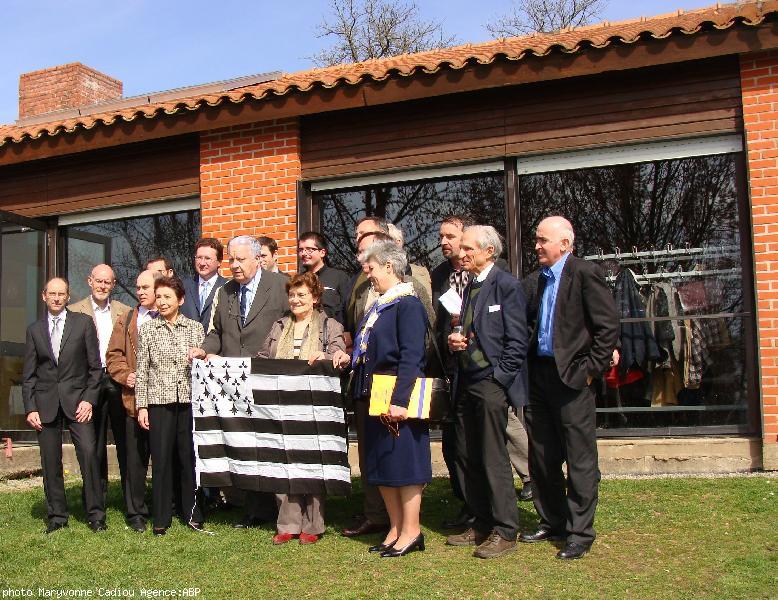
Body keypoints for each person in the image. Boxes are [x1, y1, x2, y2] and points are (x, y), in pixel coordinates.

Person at [520, 216, 619, 560]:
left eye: (542, 240)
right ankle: (553, 520)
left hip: (573, 378)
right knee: (543, 456)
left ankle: (579, 532)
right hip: (540, 376)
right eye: (536, 239)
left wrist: (591, 369)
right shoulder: (539, 280)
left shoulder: (584, 273)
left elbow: (607, 326)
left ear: (564, 243)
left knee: (579, 458)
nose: (536, 246)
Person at [431, 216, 532, 528]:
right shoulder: (470, 285)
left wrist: (499, 379)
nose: (462, 253)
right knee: (467, 454)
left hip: (490, 383)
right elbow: (469, 326)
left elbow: (518, 340)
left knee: (493, 457)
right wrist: (453, 341)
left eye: (468, 248)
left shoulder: (507, 285)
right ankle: (480, 521)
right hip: (463, 381)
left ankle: (504, 528)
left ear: (489, 251)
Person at [202, 234, 288, 528]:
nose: (235, 265)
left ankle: (284, 512)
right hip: (233, 384)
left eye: (241, 259)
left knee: (271, 445)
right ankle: (254, 511)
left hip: (268, 377)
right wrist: (205, 350)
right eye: (231, 260)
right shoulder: (225, 291)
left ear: (258, 258)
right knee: (246, 445)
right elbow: (217, 332)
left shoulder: (281, 286)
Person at [351, 241, 431, 557]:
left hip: (397, 396)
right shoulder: (380, 305)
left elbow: (413, 356)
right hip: (374, 393)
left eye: (371, 268)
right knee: (381, 464)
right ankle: (395, 529)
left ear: (389, 266)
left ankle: (412, 531)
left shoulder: (408, 304)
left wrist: (401, 400)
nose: (368, 274)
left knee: (404, 465)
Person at [257, 271, 349, 545]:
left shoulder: (329, 325)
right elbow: (263, 358)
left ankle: (313, 524)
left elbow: (338, 354)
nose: (295, 300)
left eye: (302, 295)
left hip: (314, 406)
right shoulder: (279, 325)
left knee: (312, 464)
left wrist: (326, 356)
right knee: (284, 463)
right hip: (281, 406)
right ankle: (287, 524)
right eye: (292, 295)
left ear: (315, 297)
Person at [22, 277, 105, 533]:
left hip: (78, 402)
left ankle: (96, 515)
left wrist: (89, 400)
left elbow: (95, 369)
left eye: (61, 294)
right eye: (52, 294)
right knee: (50, 461)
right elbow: (29, 374)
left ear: (68, 297)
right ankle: (57, 516)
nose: (56, 298)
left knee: (89, 456)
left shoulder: (83, 324)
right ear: (43, 296)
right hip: (45, 405)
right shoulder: (35, 330)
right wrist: (30, 407)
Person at [135, 276, 205, 536]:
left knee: (188, 459)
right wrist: (142, 406)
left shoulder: (195, 328)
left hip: (188, 402)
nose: (162, 302)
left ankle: (191, 512)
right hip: (159, 402)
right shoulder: (148, 329)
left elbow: (203, 364)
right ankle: (161, 516)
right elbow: (142, 371)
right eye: (159, 297)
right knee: (162, 460)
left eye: (167, 297)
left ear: (180, 300)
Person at [67, 264, 131, 505]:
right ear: (90, 281)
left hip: (117, 381)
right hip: (89, 383)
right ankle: (95, 498)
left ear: (113, 285)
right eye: (99, 281)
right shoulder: (74, 311)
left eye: (108, 282)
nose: (103, 286)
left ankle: (130, 497)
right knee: (93, 443)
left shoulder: (125, 311)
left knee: (125, 440)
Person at [105, 270, 158, 532]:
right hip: (133, 401)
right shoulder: (125, 320)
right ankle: (136, 512)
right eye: (138, 288)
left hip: (165, 402)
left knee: (164, 457)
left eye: (146, 287)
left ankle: (165, 506)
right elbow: (113, 356)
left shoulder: (171, 317)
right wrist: (127, 376)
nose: (140, 292)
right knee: (135, 460)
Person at [298, 231, 350, 325]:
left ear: (322, 252)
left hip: (332, 334)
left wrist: (346, 331)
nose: (304, 253)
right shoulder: (299, 280)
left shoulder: (339, 277)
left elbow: (347, 308)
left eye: (309, 249)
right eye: (301, 250)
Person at [182, 237, 228, 332]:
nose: (202, 263)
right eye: (199, 257)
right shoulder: (183, 286)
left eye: (207, 258)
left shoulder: (227, 288)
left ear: (219, 262)